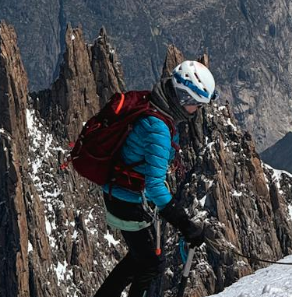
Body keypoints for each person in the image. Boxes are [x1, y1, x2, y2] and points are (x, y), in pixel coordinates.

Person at [93, 59, 217, 297]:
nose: (198, 111)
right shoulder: (158, 128)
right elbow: (154, 187)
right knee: (151, 264)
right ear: (184, 99)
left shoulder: (158, 105)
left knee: (140, 259)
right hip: (125, 199)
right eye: (197, 104)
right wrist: (185, 225)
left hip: (120, 192)